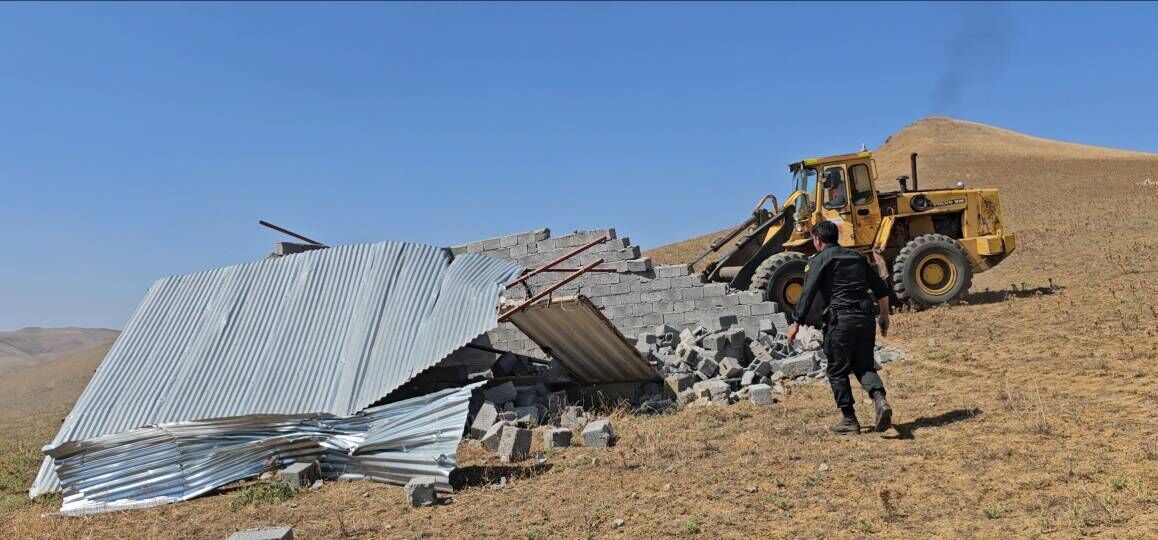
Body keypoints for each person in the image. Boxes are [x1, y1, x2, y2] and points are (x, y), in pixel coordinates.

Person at [786, 221, 893, 434]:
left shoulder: (819, 260)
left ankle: (849, 420)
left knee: (837, 370)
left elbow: (807, 294)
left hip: (840, 321)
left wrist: (796, 323)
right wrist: (884, 316)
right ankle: (880, 400)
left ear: (817, 240)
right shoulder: (857, 257)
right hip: (864, 319)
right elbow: (881, 289)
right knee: (864, 366)